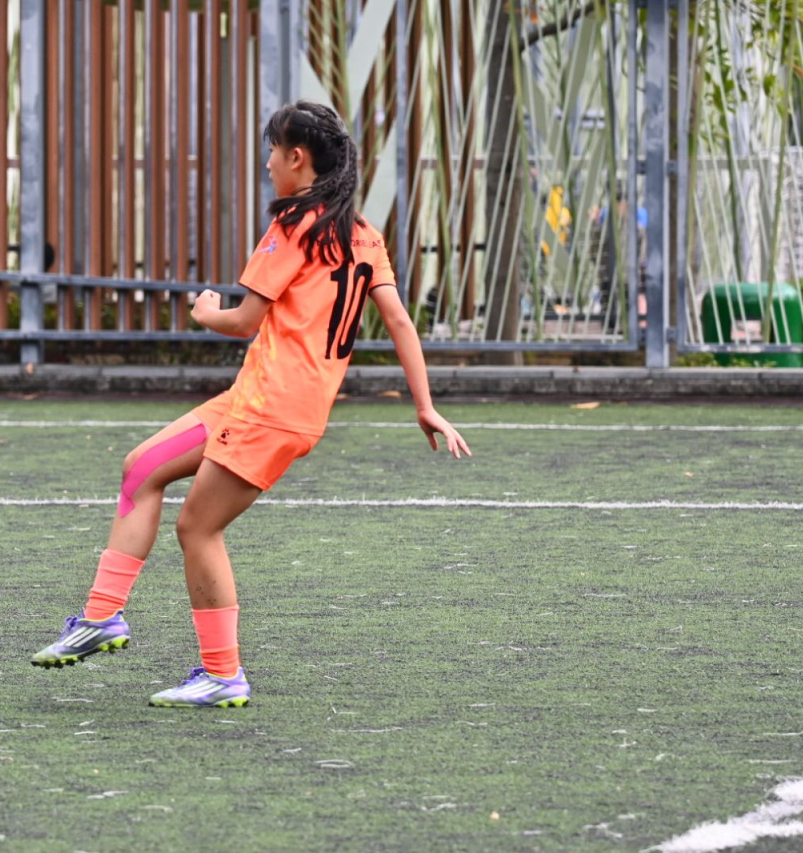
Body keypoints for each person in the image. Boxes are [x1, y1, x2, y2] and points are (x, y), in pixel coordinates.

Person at [30, 101, 472, 707]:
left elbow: (244, 321)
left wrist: (205, 311)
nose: (267, 164)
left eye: (272, 151)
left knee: (198, 528)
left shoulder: (293, 225)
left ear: (298, 158)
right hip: (256, 400)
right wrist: (425, 405)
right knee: (141, 469)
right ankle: (101, 618)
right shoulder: (364, 233)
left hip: (271, 410)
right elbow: (398, 319)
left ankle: (222, 674)